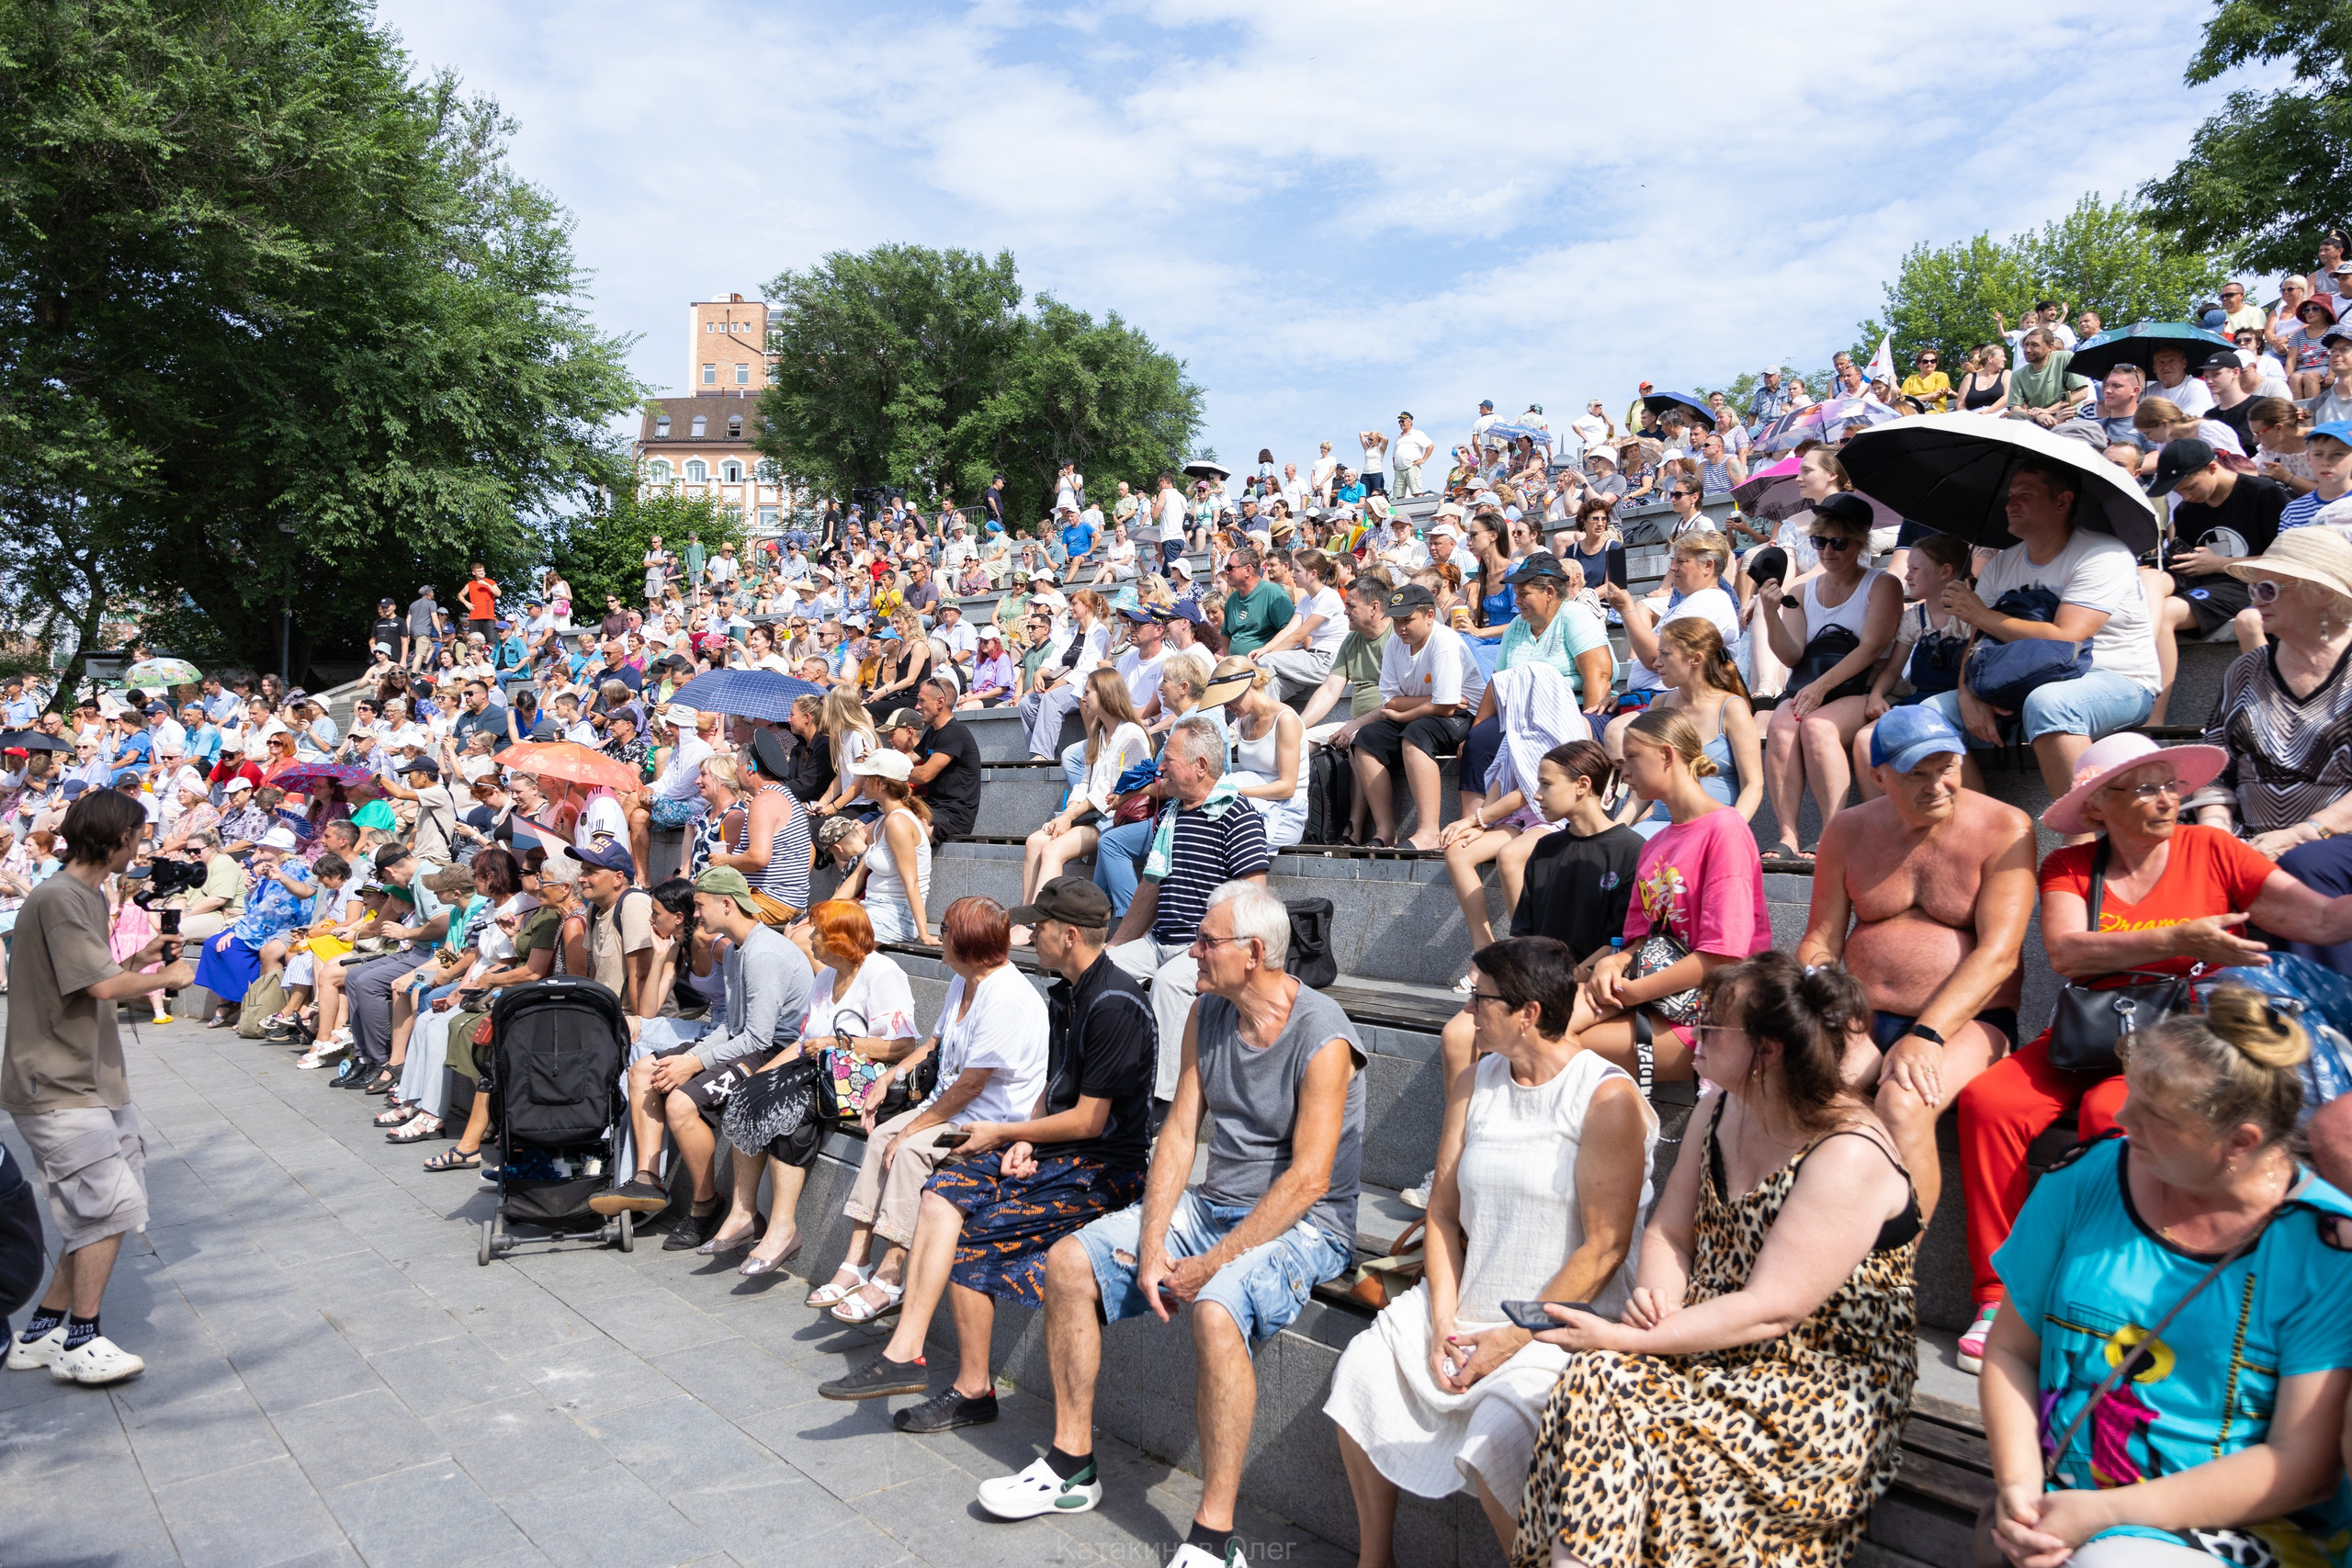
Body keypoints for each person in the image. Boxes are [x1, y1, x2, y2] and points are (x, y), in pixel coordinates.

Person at [975, 883, 1363, 1568]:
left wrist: (1211, 1263)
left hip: (1305, 1224)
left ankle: (1215, 1536)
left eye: (1207, 940)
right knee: (1070, 1261)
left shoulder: (1323, 1033)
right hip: (1214, 1207)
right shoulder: (1205, 1013)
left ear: (1254, 952)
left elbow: (1310, 1179)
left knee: (1216, 1310)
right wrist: (1153, 1241)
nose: (1193, 949)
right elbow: (1180, 1134)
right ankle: (1070, 1465)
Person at [1956, 734, 2352, 1372]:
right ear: (2098, 806)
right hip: (2090, 1028)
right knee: (1987, 1100)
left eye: (2172, 785)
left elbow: (2325, 921)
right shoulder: (2069, 865)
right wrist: (2178, 936)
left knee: (2114, 1114)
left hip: (2179, 1037)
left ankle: (2103, 1297)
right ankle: (1998, 1294)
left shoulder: (2216, 850)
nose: (2170, 799)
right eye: (2148, 787)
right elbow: (2066, 952)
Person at [1511, 952, 1919, 1568]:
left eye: (1709, 1026)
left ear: (1768, 1050)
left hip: (1815, 1390)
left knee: (1605, 1383)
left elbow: (1769, 1311)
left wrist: (1629, 1338)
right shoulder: (1721, 1105)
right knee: (1596, 1382)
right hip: (1713, 1341)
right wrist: (1657, 1295)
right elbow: (1671, 1231)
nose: (1692, 1030)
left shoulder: (1848, 1152)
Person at [1979, 988, 2352, 1567]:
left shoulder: (2325, 1247)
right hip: (2061, 1508)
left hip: (2235, 1534)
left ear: (2240, 1142)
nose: (2124, 1121)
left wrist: (2105, 1517)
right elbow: (2011, 1350)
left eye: (2155, 1115)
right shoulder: (2087, 1178)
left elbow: (2304, 1467)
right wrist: (2021, 1491)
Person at [1325, 936, 1657, 1562]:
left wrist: (1511, 1335)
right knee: (1359, 1373)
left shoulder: (1604, 1096)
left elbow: (1606, 1247)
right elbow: (1443, 1214)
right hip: (1467, 1298)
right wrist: (1442, 1320)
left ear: (1528, 1012)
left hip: (1560, 1322)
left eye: (1479, 998)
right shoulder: (1477, 1079)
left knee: (1495, 1434)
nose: (1468, 1011)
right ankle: (1376, 1559)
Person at [817, 878, 1156, 1431]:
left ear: (1068, 935)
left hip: (1103, 1169)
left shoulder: (1114, 1002)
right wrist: (1024, 1134)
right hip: (1056, 1147)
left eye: (1038, 926)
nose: (1027, 935)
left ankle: (972, 1389)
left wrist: (1004, 1133)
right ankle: (906, 1353)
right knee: (940, 1197)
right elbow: (1058, 1088)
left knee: (972, 1235)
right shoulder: (1070, 993)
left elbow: (1093, 1122)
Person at [1797, 705, 2034, 1227]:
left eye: (1946, 767)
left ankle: (1894, 1279)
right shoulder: (1848, 830)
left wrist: (1927, 1034)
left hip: (1964, 1023)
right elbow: (1821, 937)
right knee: (1796, 1089)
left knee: (1902, 1103)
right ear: (1878, 776)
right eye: (1916, 775)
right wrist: (1824, 1003)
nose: (1937, 786)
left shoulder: (2005, 827)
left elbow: (1999, 955)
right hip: (1861, 1013)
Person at [3, 787, 197, 1385]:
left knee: (101, 1210)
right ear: (117, 838)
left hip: (90, 1079)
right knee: (108, 1207)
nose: (140, 847)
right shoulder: (61, 897)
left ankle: (42, 1332)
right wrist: (169, 974)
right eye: (137, 836)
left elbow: (97, 974)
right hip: (58, 1082)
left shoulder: (83, 895)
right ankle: (80, 1342)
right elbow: (103, 988)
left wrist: (139, 957)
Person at [819, 896, 1048, 1325]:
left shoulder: (1007, 998)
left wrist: (913, 1130)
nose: (938, 936)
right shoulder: (966, 980)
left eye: (944, 929)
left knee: (906, 1149)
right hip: (948, 1107)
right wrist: (888, 1077)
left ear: (965, 941)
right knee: (881, 1137)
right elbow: (932, 1044)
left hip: (987, 1123)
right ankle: (857, 1259)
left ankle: (892, 1274)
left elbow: (971, 1085)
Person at [589, 868, 814, 1248]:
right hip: (746, 1043)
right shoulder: (742, 949)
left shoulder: (761, 953)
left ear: (727, 904)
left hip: (777, 1055)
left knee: (679, 1103)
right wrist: (694, 1055)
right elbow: (733, 1026)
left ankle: (704, 1204)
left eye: (699, 904)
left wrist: (694, 1063)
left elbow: (759, 1037)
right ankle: (647, 1178)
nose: (694, 914)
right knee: (644, 1070)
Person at [1926, 456, 2163, 802]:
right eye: (2010, 495)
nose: (2011, 503)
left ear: (2062, 501)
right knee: (1925, 717)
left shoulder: (2102, 555)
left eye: (2025, 494)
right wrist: (1967, 694)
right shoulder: (2000, 566)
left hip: (2114, 678)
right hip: (2018, 680)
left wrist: (1980, 613)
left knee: (2048, 703)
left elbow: (2070, 637)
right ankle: (1981, 829)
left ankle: (2081, 841)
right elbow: (1978, 645)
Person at [1568, 707, 1770, 1091]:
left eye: (1631, 758)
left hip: (1713, 1009)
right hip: (1656, 992)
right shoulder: (1655, 843)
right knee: (1535, 1025)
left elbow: (1723, 954)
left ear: (1666, 755)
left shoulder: (1724, 829)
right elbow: (1643, 937)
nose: (1623, 771)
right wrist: (1615, 962)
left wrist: (1632, 993)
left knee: (1556, 1048)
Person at [1107, 718, 1272, 1100]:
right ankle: (1101, 1079)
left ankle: (1162, 1099)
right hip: (1159, 942)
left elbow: (1253, 898)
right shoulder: (1172, 814)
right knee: (1098, 969)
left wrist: (1217, 948)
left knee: (1167, 985)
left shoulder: (1237, 814)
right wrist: (1115, 945)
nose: (1160, 767)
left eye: (1169, 759)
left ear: (1201, 765)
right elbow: (1150, 887)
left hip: (1206, 948)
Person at [1756, 491, 1904, 861]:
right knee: (1781, 726)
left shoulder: (1882, 584)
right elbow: (1791, 655)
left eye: (1838, 542)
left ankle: (1835, 832)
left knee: (1818, 728)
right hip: (1812, 685)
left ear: (1859, 543)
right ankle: (1788, 835)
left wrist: (1821, 687)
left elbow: (1871, 648)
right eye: (1820, 541)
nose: (1827, 551)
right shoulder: (1804, 590)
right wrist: (1771, 615)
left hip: (1865, 686)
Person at [2142, 437, 2287, 724]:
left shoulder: (2262, 493)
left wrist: (2221, 563)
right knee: (2147, 579)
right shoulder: (2187, 509)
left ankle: (2154, 722)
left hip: (2249, 584)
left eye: (2189, 487)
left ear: (2211, 467)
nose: (2185, 497)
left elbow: (2286, 561)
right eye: (2178, 492)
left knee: (2167, 612)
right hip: (2203, 581)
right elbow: (2186, 561)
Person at [1352, 582, 1487, 852]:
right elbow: (1390, 700)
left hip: (1465, 716)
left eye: (1408, 620)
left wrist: (1407, 713)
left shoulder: (1445, 641)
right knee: (1366, 738)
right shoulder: (1395, 642)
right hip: (1422, 716)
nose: (1401, 627)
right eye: (1397, 621)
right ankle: (1385, 831)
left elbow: (1449, 707)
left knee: (1416, 734)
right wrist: (1430, 702)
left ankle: (1429, 831)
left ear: (1429, 616)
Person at [1021, 670, 1152, 908]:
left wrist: (1070, 816)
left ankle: (1039, 923)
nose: (1082, 699)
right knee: (1034, 841)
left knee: (1052, 850)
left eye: (1087, 692)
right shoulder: (1100, 733)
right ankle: (1024, 920)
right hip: (1093, 816)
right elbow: (1085, 783)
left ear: (1105, 695)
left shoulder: (1132, 735)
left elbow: (1108, 791)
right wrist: (1067, 815)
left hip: (1113, 820)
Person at [833, 748, 933, 946]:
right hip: (872, 908)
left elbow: (911, 881)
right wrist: (825, 910)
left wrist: (925, 934)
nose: (861, 780)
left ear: (881, 783)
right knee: (803, 931)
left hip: (897, 915)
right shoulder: (881, 822)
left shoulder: (897, 822)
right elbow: (856, 876)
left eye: (867, 776)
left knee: (825, 942)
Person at [1213, 658, 1308, 851]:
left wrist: (1234, 793)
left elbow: (1287, 788)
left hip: (1286, 812)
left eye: (1229, 698)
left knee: (1222, 845)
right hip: (1251, 806)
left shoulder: (1285, 719)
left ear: (1246, 687)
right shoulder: (1243, 721)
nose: (1226, 706)